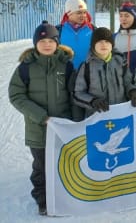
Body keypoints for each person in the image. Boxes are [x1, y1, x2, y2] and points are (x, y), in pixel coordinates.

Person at [8, 21, 76, 216]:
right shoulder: (25, 68)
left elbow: (74, 94)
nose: (47, 44)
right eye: (42, 40)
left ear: (57, 43)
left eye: (51, 40)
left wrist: (74, 121)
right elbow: (16, 96)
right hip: (38, 129)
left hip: (63, 127)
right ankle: (43, 200)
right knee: (41, 166)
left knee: (64, 163)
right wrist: (41, 116)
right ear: (36, 43)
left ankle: (64, 196)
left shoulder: (67, 65)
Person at [73, 27, 136, 118]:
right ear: (93, 45)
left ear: (112, 45)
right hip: (97, 117)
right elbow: (78, 94)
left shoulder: (120, 61)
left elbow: (128, 82)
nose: (104, 45)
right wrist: (93, 101)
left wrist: (133, 91)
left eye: (107, 42)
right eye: (100, 42)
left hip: (121, 114)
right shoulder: (86, 66)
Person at [57, 0, 95, 69]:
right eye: (79, 13)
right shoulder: (58, 30)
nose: (83, 15)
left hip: (87, 74)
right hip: (66, 74)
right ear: (69, 14)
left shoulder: (93, 29)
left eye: (84, 12)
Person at [114, 1, 136, 73]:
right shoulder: (113, 38)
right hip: (120, 82)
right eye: (121, 15)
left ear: (135, 17)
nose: (123, 19)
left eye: (127, 15)